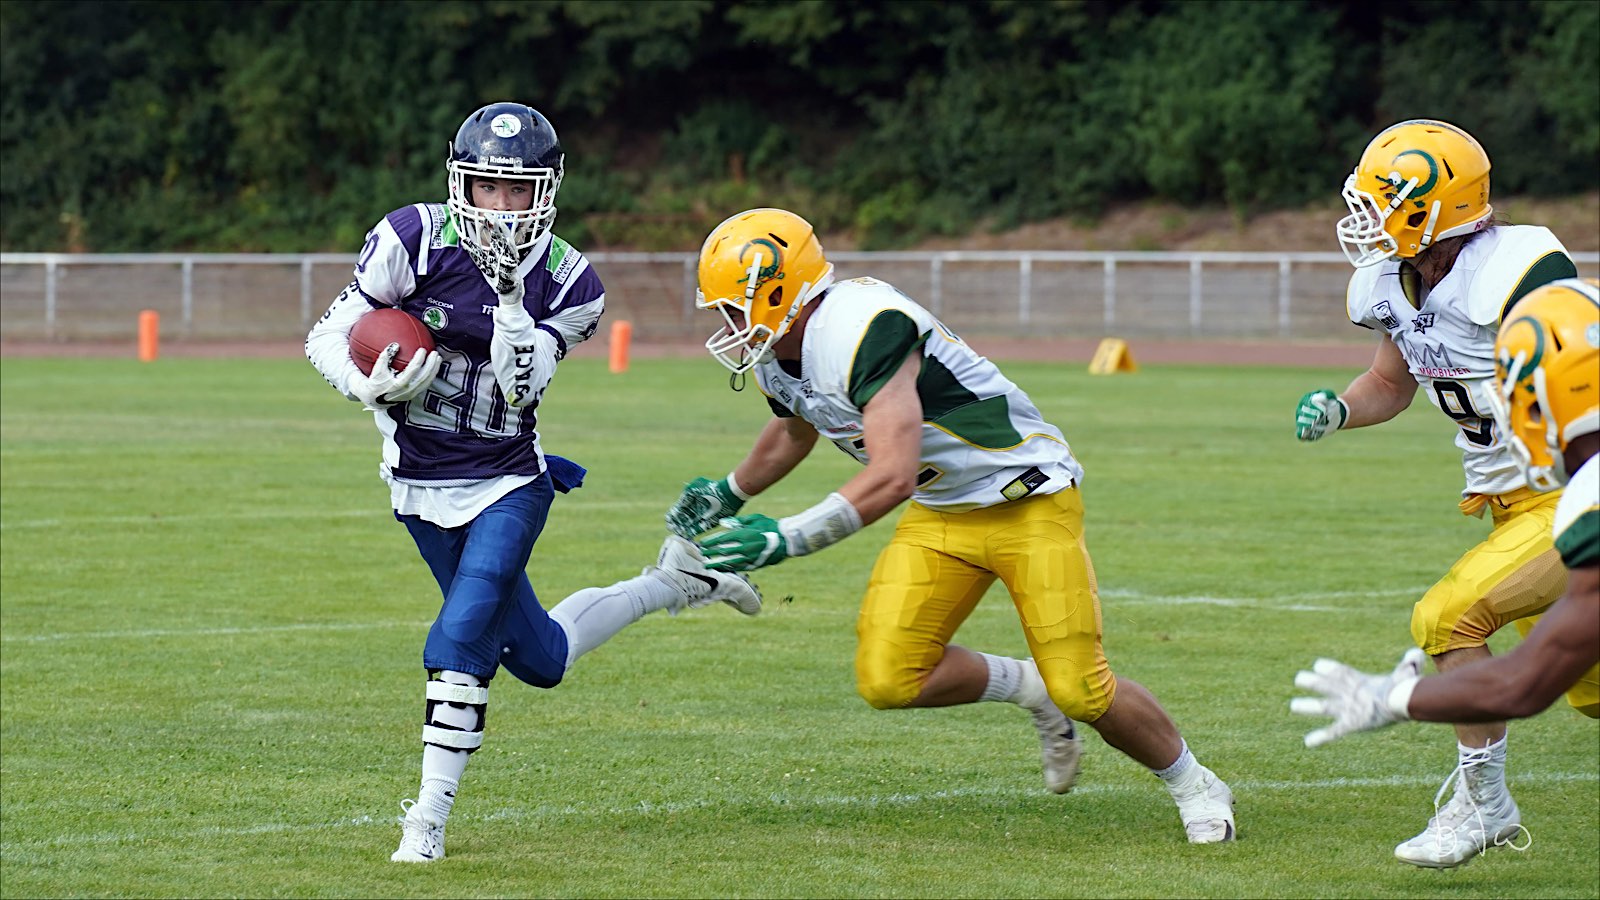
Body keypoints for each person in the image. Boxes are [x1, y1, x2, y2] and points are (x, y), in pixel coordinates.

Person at [665, 207, 1236, 844]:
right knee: (889, 675)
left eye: (734, 309)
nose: (727, 326)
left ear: (779, 291)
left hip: (1026, 499)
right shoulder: (784, 352)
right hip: (946, 515)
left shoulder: (863, 328)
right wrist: (731, 490)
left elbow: (893, 474)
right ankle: (1028, 689)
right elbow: (797, 425)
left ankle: (1196, 784)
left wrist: (787, 536)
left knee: (1082, 687)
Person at [306, 101, 763, 863]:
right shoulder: (411, 239)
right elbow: (327, 335)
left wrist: (512, 297)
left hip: (509, 482)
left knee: (460, 635)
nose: (503, 205)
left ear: (545, 191)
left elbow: (520, 387)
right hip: (418, 485)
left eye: (519, 191)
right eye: (489, 187)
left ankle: (426, 820)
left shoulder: (570, 282)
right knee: (543, 659)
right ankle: (675, 582)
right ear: (464, 185)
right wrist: (365, 388)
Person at [1291, 119, 1596, 868]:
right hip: (1510, 505)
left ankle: (1482, 806)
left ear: (1434, 205)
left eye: (1380, 198)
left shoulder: (1514, 267)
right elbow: (1389, 384)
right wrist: (1340, 409)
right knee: (1590, 690)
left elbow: (1570, 348)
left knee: (1448, 619)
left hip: (1568, 490)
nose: (1361, 214)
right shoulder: (1390, 283)